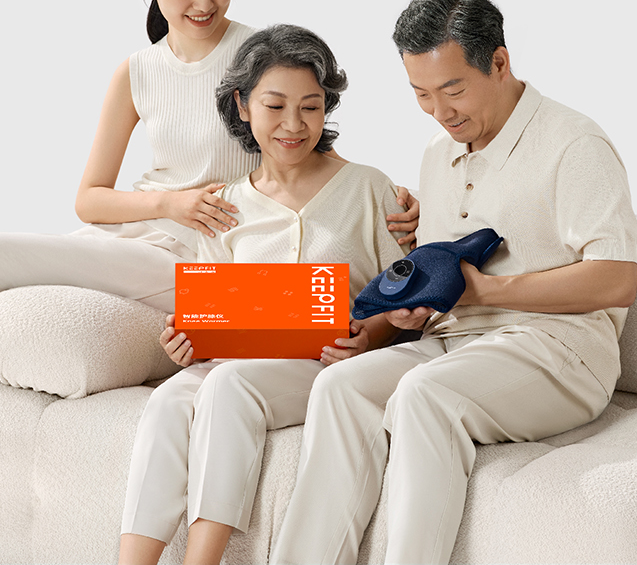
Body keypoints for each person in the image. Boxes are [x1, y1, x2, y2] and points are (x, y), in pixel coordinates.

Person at [269, 0, 637, 563]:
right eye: (421, 94)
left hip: (559, 347)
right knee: (340, 388)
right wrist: (412, 309)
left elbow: (616, 279)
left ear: (499, 63)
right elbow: (444, 276)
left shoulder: (573, 143)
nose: (440, 111)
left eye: (453, 89)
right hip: (454, 341)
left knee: (425, 394)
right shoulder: (437, 154)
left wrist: (487, 292)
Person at [0, 0, 418, 398]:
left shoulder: (260, 52)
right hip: (139, 241)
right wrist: (171, 204)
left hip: (211, 256)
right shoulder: (137, 70)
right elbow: (89, 200)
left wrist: (397, 197)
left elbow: (306, 146)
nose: (203, 5)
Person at [117, 24, 410, 565]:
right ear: (242, 105)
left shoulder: (372, 189)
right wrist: (188, 339)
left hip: (323, 364)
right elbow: (213, 311)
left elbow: (406, 298)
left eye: (311, 107)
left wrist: (369, 336)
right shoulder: (224, 205)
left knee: (229, 384)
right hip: (238, 359)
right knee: (169, 400)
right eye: (275, 106)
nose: (294, 125)